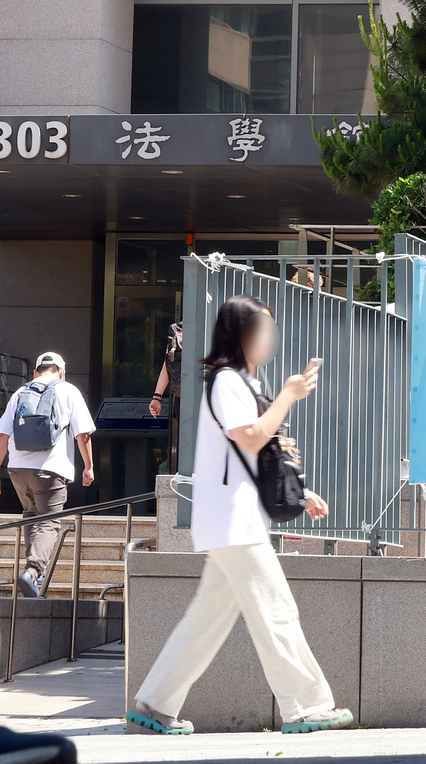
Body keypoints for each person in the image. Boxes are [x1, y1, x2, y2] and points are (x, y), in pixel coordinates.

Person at [126, 294, 353, 735]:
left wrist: (300, 491)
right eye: (262, 328)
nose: (270, 337)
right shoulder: (227, 381)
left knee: (205, 622)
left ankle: (153, 705)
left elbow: (258, 454)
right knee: (277, 611)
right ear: (241, 334)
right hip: (235, 523)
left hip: (234, 520)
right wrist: (287, 397)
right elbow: (249, 438)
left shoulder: (242, 384)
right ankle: (306, 706)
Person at [0, 351, 96, 598]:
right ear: (61, 372)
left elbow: (3, 435)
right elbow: (84, 435)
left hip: (18, 469)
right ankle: (33, 572)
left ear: (35, 372)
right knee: (49, 521)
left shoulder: (20, 392)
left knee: (30, 515)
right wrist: (88, 467)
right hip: (50, 468)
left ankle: (33, 575)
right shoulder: (68, 391)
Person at [150, 321, 183, 471]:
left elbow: (167, 364)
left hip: (183, 398)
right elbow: (168, 363)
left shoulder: (177, 329)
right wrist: (157, 397)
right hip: (199, 396)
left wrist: (157, 397)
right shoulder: (176, 330)